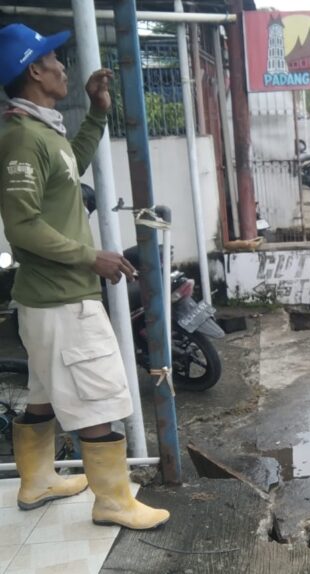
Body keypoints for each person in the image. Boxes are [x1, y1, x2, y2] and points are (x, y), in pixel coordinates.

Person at [0, 24, 169, 529]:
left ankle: (37, 481)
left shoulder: (42, 131)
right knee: (98, 398)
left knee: (44, 396)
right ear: (35, 70)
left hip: (50, 301)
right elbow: (22, 225)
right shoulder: (22, 137)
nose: (63, 67)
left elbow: (70, 165)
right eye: (54, 59)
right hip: (61, 300)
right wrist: (90, 257)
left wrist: (97, 112)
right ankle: (113, 501)